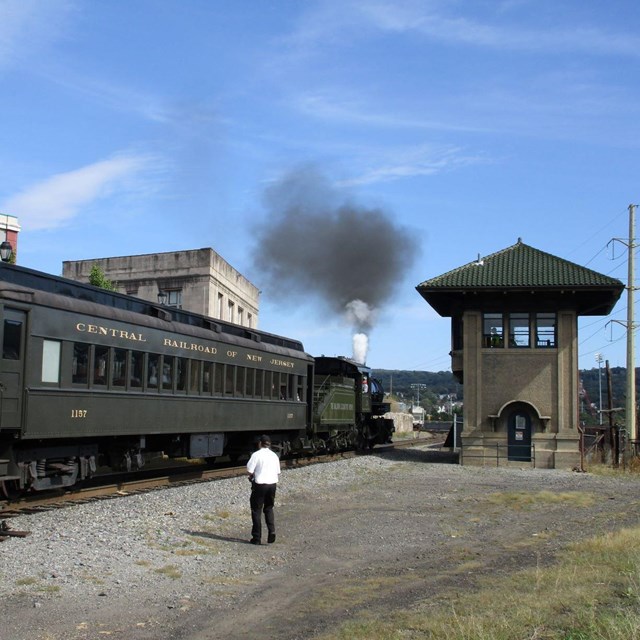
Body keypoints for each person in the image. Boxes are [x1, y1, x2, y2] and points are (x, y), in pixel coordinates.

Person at [246, 434, 281, 545]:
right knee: (269, 508)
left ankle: (257, 538)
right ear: (269, 444)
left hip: (260, 485)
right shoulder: (274, 456)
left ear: (260, 443)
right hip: (272, 485)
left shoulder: (256, 455)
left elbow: (249, 470)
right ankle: (272, 531)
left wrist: (252, 475)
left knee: (256, 510)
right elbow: (278, 471)